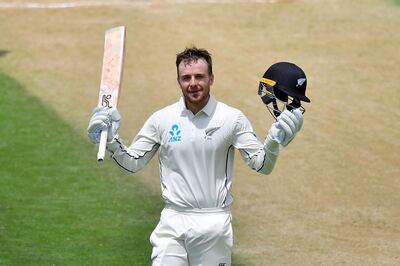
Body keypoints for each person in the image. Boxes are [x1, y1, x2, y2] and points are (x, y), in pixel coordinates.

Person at [87, 47, 306, 266]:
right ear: (178, 81)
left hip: (214, 225)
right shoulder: (161, 119)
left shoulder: (232, 119)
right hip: (173, 222)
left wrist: (273, 141)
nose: (193, 83)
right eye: (186, 78)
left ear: (211, 78)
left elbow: (262, 165)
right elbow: (133, 162)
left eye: (199, 76)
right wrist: (110, 140)